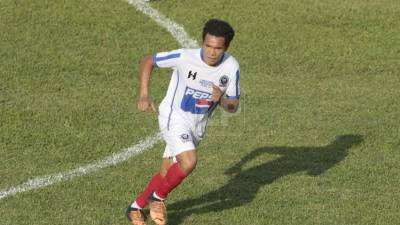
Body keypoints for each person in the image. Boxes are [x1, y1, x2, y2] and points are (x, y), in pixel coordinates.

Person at [126, 18, 241, 225]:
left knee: (167, 171)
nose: (211, 52)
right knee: (189, 162)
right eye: (207, 45)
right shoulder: (184, 57)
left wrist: (221, 100)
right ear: (203, 42)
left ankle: (135, 207)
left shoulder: (231, 67)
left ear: (226, 47)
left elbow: (233, 106)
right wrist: (144, 95)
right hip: (174, 116)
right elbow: (148, 61)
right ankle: (157, 198)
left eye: (217, 48)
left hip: (197, 126)